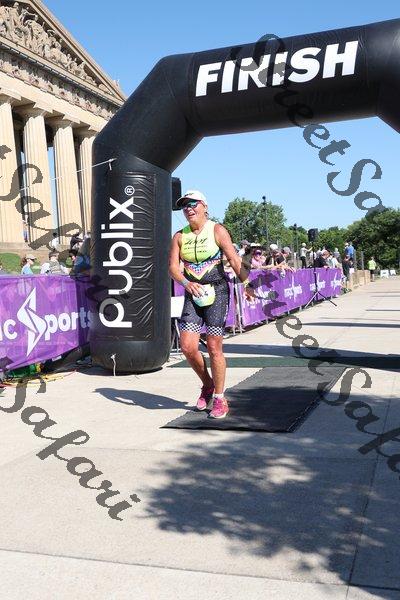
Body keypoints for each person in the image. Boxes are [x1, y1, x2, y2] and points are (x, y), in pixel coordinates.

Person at [169, 190, 254, 419]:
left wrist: (247, 284)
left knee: (215, 348)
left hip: (217, 293)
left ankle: (219, 397)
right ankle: (207, 384)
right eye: (185, 205)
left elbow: (234, 259)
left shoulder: (217, 230)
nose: (189, 209)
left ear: (204, 206)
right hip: (193, 294)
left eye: (193, 204)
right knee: (188, 347)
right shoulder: (179, 236)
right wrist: (186, 283)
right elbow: (173, 268)